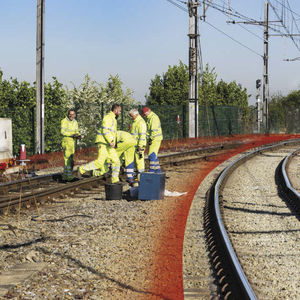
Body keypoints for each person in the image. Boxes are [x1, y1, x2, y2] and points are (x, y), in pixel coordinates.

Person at [78, 104, 121, 183]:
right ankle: (82, 169)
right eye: (120, 111)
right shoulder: (108, 118)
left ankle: (115, 180)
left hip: (108, 144)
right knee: (100, 162)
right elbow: (105, 131)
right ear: (116, 110)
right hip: (103, 143)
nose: (120, 112)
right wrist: (111, 141)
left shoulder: (113, 119)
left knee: (116, 161)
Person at [61, 109, 81, 181]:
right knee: (67, 159)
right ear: (68, 114)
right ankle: (68, 177)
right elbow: (62, 132)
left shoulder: (75, 122)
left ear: (75, 115)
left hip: (72, 142)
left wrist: (78, 135)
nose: (71, 116)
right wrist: (72, 135)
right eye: (70, 114)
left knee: (71, 159)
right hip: (66, 141)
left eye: (73, 114)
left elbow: (76, 131)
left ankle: (67, 175)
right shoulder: (64, 121)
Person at [142, 107, 163, 173]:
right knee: (153, 154)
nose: (144, 116)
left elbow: (154, 130)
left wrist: (150, 138)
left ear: (148, 111)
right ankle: (158, 170)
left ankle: (152, 170)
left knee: (152, 154)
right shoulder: (150, 118)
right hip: (154, 138)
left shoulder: (153, 118)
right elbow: (149, 131)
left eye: (144, 114)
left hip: (155, 139)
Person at [129, 108, 147, 179]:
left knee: (139, 160)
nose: (130, 117)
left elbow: (142, 135)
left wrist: (140, 146)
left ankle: (141, 176)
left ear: (136, 114)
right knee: (136, 161)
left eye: (131, 116)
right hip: (134, 145)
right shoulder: (135, 121)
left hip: (139, 145)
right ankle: (137, 176)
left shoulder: (141, 122)